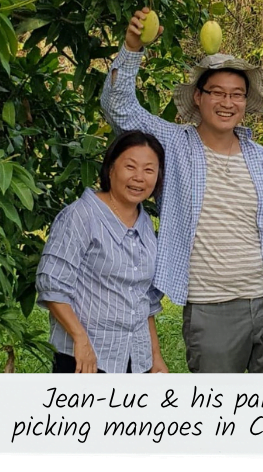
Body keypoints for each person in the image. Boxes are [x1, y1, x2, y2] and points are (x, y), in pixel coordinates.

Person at [100, 7, 263, 373]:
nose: (227, 102)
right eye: (217, 92)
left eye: (237, 94)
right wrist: (131, 46)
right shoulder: (173, 143)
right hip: (211, 307)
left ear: (246, 103)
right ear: (198, 98)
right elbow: (118, 107)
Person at [36, 130, 168, 373]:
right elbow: (52, 285)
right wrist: (81, 340)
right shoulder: (81, 216)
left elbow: (143, 298)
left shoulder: (146, 224)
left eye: (149, 170)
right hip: (85, 358)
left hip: (134, 358)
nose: (139, 177)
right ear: (111, 169)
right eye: (130, 166)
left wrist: (154, 356)